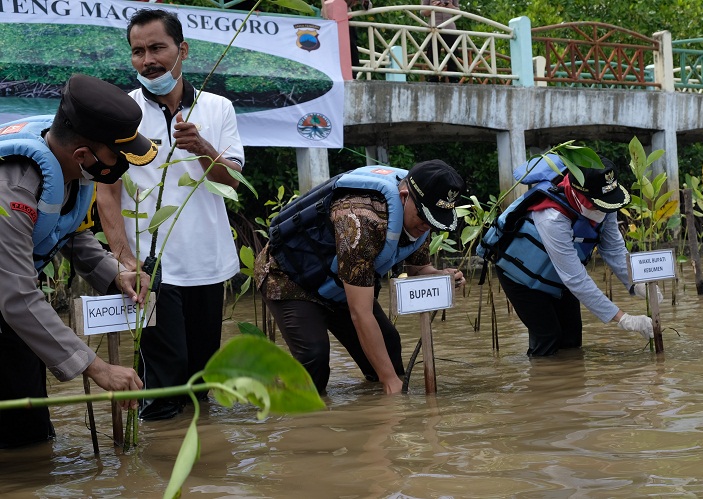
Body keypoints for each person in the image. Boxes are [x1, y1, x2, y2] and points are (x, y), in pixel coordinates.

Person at [96, 9, 245, 420]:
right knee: (163, 385)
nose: (148, 60)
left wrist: (202, 148)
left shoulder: (218, 108)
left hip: (208, 263)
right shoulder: (120, 114)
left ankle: (198, 472)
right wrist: (125, 260)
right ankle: (158, 465)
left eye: (157, 47)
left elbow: (231, 180)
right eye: (137, 51)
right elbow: (106, 193)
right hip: (152, 266)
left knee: (200, 382)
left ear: (183, 50)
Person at [0, 73, 155, 448]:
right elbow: (17, 295)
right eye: (117, 157)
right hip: (9, 300)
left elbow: (67, 230)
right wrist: (97, 368)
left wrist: (116, 274)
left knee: (32, 432)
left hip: (11, 312)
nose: (122, 166)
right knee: (17, 442)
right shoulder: (13, 188)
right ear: (84, 155)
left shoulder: (68, 168)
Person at [255, 161, 466, 395]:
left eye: (435, 220)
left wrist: (442, 277)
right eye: (424, 217)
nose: (427, 226)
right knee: (313, 357)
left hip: (340, 284)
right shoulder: (360, 220)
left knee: (389, 345)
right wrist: (389, 381)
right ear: (405, 196)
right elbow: (360, 313)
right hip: (289, 278)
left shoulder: (420, 220)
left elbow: (418, 269)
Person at [477, 155, 656, 357]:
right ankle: (543, 383)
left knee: (571, 339)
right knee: (548, 338)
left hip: (558, 274)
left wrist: (637, 283)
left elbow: (613, 249)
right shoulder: (551, 217)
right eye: (599, 204)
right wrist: (624, 319)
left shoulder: (607, 201)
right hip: (521, 275)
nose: (604, 210)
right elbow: (576, 279)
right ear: (581, 195)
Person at [420, 0, 460, 83]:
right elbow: (423, 12)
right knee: (432, 52)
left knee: (452, 52)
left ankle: (453, 77)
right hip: (433, 26)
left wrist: (451, 7)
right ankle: (432, 77)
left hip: (450, 27)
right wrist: (433, 7)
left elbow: (458, 11)